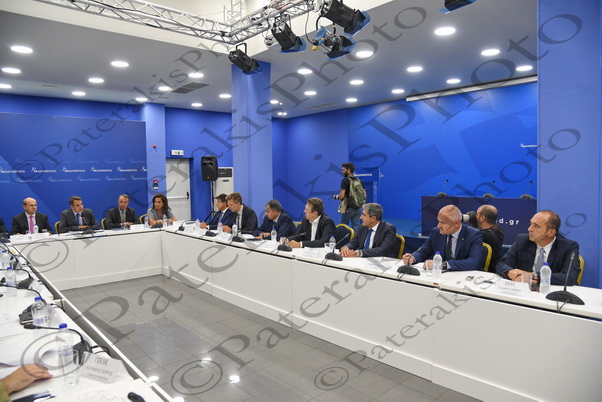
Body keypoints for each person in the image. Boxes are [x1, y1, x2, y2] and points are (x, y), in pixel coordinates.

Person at [496, 210, 580, 285]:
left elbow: (569, 277)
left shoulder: (568, 247)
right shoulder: (522, 241)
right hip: (524, 291)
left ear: (551, 232)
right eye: (531, 224)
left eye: (536, 226)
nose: (529, 229)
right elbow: (502, 264)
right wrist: (512, 273)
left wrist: (534, 276)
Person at [403, 205, 484, 271]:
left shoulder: (473, 235)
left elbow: (474, 262)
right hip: (440, 277)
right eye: (438, 221)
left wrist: (443, 265)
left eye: (442, 222)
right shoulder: (436, 232)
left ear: (456, 223)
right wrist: (413, 258)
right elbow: (423, 251)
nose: (438, 226)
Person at [333, 162, 365, 232]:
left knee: (342, 227)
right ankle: (356, 240)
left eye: (343, 170)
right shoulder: (359, 180)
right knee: (356, 229)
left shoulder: (345, 181)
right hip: (358, 209)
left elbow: (341, 196)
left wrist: (335, 197)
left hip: (348, 209)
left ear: (349, 170)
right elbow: (364, 194)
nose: (342, 172)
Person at [475, 205, 504, 270]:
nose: (475, 216)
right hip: (496, 268)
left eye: (477, 214)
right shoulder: (499, 230)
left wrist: (472, 225)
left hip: (486, 271)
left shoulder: (483, 235)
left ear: (482, 218)